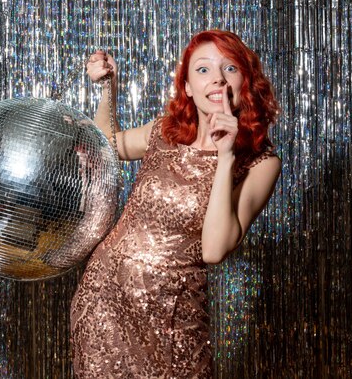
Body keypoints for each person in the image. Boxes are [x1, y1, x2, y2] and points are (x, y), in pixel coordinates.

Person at [70, 30, 281, 378]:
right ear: (186, 87)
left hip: (174, 318)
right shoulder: (164, 132)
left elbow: (214, 250)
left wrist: (226, 156)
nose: (217, 78)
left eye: (230, 68)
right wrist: (109, 88)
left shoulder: (259, 162)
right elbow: (103, 147)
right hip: (104, 297)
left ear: (245, 80)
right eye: (202, 70)